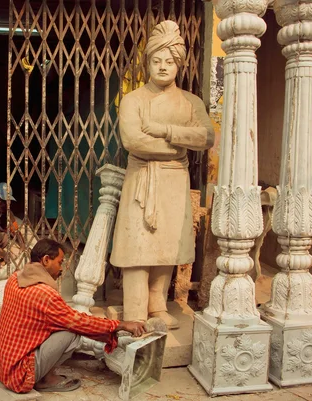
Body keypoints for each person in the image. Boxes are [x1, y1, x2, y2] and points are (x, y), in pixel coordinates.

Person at [110, 21, 215, 329]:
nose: (163, 66)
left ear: (178, 65)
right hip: (142, 178)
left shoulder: (191, 102)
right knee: (137, 246)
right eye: (156, 61)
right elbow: (133, 141)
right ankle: (135, 311)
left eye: (169, 61)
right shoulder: (134, 100)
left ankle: (158, 307)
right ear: (147, 63)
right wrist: (177, 146)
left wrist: (166, 131)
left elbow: (206, 138)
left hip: (174, 181)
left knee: (166, 245)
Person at [0, 238, 146, 393]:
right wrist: (121, 324)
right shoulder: (44, 294)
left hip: (2, 364)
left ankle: (43, 374)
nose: (61, 268)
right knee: (72, 332)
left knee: (61, 325)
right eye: (60, 262)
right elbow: (79, 322)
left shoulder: (15, 278)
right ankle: (46, 380)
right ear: (46, 260)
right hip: (19, 373)